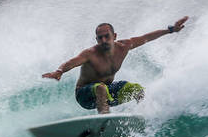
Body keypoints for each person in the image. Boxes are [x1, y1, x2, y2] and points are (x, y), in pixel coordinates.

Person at [42, 16, 189, 114]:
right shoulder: (90, 53)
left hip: (107, 93)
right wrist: (59, 71)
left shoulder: (124, 46)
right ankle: (104, 122)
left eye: (107, 36)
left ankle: (144, 117)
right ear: (97, 39)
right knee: (100, 88)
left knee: (136, 89)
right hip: (85, 96)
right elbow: (72, 62)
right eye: (100, 38)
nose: (104, 40)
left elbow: (147, 37)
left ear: (115, 36)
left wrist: (170, 30)